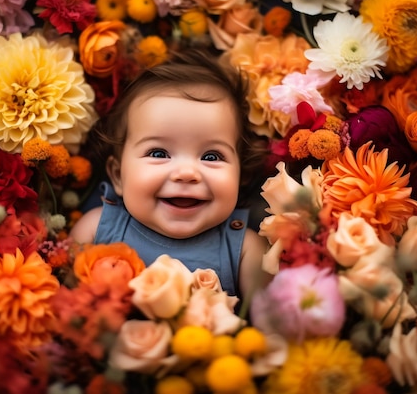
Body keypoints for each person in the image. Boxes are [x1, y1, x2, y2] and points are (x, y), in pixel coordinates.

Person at [70, 49, 272, 299]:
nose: (186, 173)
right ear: (118, 175)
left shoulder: (245, 250)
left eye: (211, 157)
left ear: (240, 177)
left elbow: (271, 328)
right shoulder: (96, 231)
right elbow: (66, 308)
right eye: (158, 153)